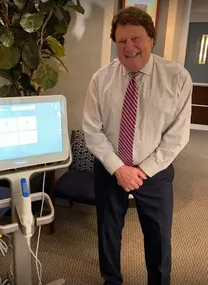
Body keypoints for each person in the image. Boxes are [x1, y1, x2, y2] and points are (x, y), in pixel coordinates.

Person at [82, 6, 193, 285]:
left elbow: (177, 136)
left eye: (136, 38)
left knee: (158, 236)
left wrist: (142, 170)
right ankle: (111, 280)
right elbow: (92, 131)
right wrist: (119, 169)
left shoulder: (178, 78)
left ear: (151, 39)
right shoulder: (100, 80)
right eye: (122, 41)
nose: (129, 47)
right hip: (110, 169)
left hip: (155, 172)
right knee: (108, 230)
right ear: (115, 44)